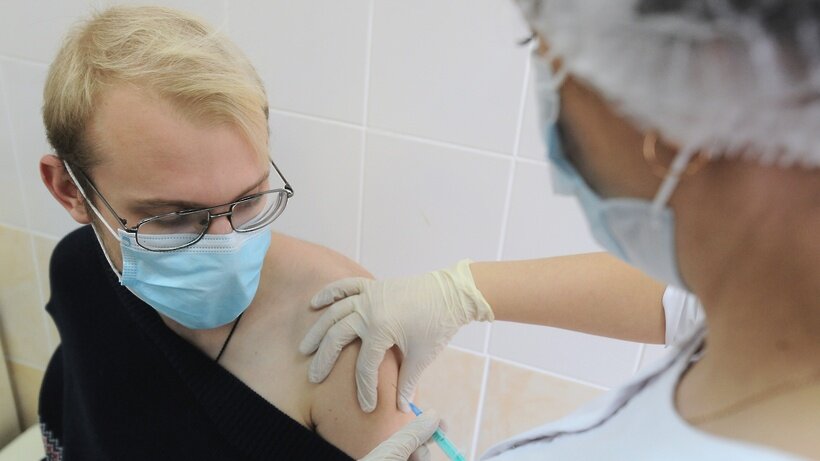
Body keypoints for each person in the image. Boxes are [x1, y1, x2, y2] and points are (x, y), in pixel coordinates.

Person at [301, 0, 820, 459]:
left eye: (545, 48)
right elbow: (689, 300)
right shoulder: (771, 304)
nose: (550, 90)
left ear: (686, 107)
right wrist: (462, 290)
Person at [37, 6, 438, 461]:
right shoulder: (79, 271)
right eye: (173, 217)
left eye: (248, 200)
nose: (225, 247)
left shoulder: (343, 336)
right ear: (70, 190)